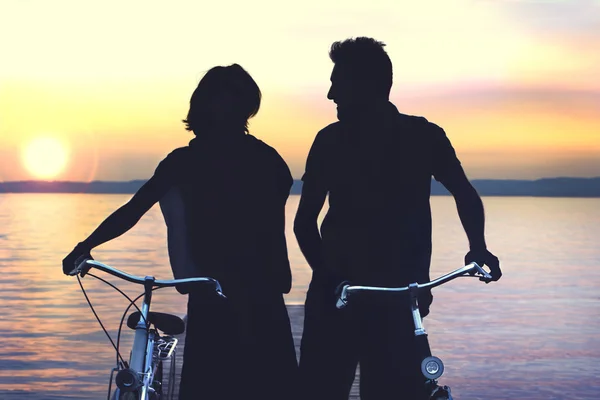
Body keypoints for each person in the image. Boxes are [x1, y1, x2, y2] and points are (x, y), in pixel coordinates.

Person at [62, 64, 298, 400]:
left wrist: (84, 247)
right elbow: (134, 209)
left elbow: (134, 208)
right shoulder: (264, 159)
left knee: (216, 384)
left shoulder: (193, 161)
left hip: (226, 293)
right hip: (247, 293)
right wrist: (86, 245)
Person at [294, 37, 502, 400]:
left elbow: (464, 192)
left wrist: (478, 247)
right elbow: (303, 222)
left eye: (338, 82)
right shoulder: (330, 140)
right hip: (337, 296)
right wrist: (330, 278)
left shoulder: (424, 135)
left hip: (398, 296)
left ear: (368, 85)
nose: (330, 95)